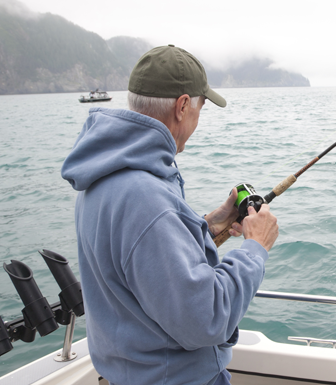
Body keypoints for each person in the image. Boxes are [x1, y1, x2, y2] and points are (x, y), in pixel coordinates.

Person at [61, 45, 279, 385]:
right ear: (182, 106)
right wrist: (256, 247)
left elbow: (140, 265)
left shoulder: (103, 175)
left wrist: (205, 227)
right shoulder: (147, 199)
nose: (197, 119)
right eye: (200, 107)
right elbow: (205, 319)